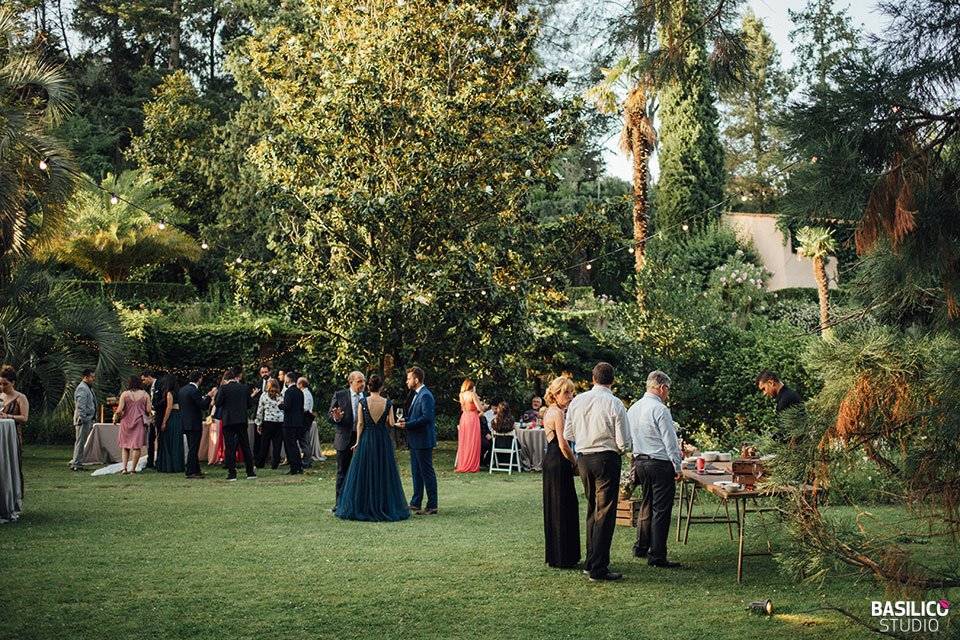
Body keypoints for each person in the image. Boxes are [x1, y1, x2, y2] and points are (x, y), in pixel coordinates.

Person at [563, 362, 631, 582]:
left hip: (584, 458)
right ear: (612, 380)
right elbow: (623, 440)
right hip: (606, 458)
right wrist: (623, 449)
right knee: (605, 512)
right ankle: (598, 568)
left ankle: (591, 562)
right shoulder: (614, 403)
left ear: (593, 378)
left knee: (593, 509)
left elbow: (568, 433)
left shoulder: (578, 401)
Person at [335, 374, 410, 522]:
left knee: (364, 473)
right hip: (382, 440)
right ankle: (384, 505)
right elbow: (391, 423)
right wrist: (398, 423)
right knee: (383, 473)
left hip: (367, 440)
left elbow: (360, 424)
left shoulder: (363, 402)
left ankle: (364, 506)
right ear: (381, 387)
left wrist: (357, 442)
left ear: (369, 387)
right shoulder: (388, 403)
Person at [628, 371, 682, 569]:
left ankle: (641, 546)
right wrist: (677, 466)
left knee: (646, 503)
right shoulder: (660, 409)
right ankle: (657, 555)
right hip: (659, 463)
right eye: (668, 390)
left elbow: (629, 438)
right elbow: (670, 441)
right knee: (661, 509)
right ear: (662, 388)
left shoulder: (633, 408)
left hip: (640, 461)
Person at [542, 376, 580, 569]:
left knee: (555, 505)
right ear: (555, 394)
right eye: (566, 392)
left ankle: (557, 554)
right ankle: (564, 555)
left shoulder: (549, 411)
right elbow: (564, 444)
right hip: (559, 460)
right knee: (562, 505)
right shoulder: (557, 413)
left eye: (571, 392)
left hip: (551, 460)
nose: (570, 396)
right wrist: (575, 463)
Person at [398, 366, 438, 515]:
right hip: (415, 440)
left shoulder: (425, 395)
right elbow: (416, 416)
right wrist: (405, 421)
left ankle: (432, 505)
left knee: (427, 472)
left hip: (423, 440)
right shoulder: (416, 394)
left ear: (416, 379)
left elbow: (426, 418)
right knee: (416, 472)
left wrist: (407, 424)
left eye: (409, 378)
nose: (407, 381)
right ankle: (416, 502)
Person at [329, 371, 366, 509]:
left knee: (360, 472)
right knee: (342, 472)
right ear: (351, 382)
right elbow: (330, 415)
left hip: (361, 439)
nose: (362, 384)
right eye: (359, 381)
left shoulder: (366, 397)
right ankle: (340, 503)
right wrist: (337, 417)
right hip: (344, 439)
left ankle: (358, 502)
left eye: (363, 381)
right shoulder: (340, 395)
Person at [215, 366, 256, 481]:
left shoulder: (223, 388)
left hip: (228, 420)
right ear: (237, 376)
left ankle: (232, 473)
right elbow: (249, 404)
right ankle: (250, 472)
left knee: (230, 447)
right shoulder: (244, 388)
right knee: (245, 446)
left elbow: (218, 403)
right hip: (241, 420)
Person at [178, 371, 216, 478]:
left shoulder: (182, 390)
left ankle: (196, 469)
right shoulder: (194, 390)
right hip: (194, 423)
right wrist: (209, 396)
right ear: (199, 378)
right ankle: (190, 471)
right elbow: (203, 405)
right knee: (194, 448)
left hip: (185, 423)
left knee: (192, 447)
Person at [115, 375, 152, 475]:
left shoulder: (125, 394)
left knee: (125, 446)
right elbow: (148, 410)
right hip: (139, 422)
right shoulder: (145, 394)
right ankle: (133, 469)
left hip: (126, 422)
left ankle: (124, 468)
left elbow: (119, 410)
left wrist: (115, 418)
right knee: (136, 447)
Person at [0, 365, 29, 492]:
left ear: (12, 383)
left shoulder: (20, 398)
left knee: (12, 466)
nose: (2, 387)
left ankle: (14, 496)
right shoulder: (0, 397)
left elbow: (24, 418)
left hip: (13, 437)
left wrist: (8, 416)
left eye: (5, 384)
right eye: (0, 384)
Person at [156, 373, 185, 473]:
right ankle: (178, 465)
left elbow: (169, 407)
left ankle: (169, 465)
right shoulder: (180, 392)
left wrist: (164, 421)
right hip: (179, 416)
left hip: (172, 416)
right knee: (176, 441)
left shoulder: (169, 393)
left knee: (168, 441)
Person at [69, 369, 97, 471]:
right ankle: (76, 463)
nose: (93, 379)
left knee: (81, 441)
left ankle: (77, 461)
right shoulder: (82, 388)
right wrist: (83, 418)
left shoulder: (88, 388)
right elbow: (81, 405)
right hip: (83, 420)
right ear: (86, 377)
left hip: (87, 419)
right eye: (92, 377)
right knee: (80, 442)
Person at [255, 378, 284, 469]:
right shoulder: (281, 395)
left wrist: (258, 423)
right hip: (279, 422)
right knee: (277, 444)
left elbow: (260, 410)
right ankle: (275, 464)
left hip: (268, 422)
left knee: (264, 444)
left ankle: (260, 463)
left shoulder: (264, 395)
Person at [454, 379, 483, 473]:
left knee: (464, 441)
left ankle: (463, 463)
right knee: (473, 441)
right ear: (472, 386)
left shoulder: (461, 395)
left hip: (464, 418)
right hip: (473, 418)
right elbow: (480, 408)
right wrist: (484, 406)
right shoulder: (472, 394)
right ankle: (471, 465)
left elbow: (462, 408)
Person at [279, 372, 305, 475]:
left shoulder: (289, 392)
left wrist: (280, 405)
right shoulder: (300, 391)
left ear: (288, 379)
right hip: (298, 422)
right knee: (295, 445)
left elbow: (287, 407)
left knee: (290, 446)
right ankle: (299, 466)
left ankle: (294, 467)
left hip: (289, 423)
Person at [140, 370, 160, 469]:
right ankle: (150, 461)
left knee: (159, 440)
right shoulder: (148, 388)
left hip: (158, 416)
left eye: (144, 380)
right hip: (151, 417)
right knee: (150, 439)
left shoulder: (159, 384)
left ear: (149, 377)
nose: (143, 382)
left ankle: (159, 460)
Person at [297, 376, 315, 468]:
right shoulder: (306, 393)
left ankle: (307, 461)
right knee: (305, 441)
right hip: (305, 418)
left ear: (301, 384)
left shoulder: (305, 394)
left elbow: (306, 408)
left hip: (305, 419)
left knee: (304, 441)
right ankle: (307, 460)